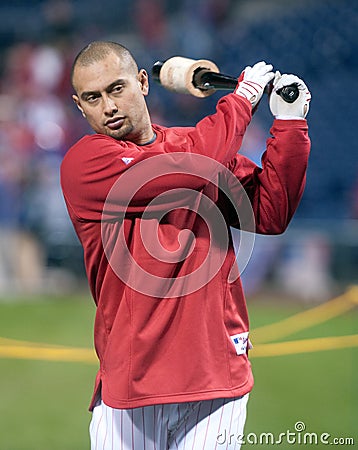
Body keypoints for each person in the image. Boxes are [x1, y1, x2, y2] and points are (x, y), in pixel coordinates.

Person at [60, 41, 311, 449]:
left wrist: (289, 127)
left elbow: (270, 211)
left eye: (117, 89)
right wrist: (242, 100)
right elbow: (189, 171)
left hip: (217, 376)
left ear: (143, 83)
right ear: (79, 106)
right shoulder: (87, 163)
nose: (108, 106)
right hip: (133, 384)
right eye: (93, 97)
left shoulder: (196, 145)